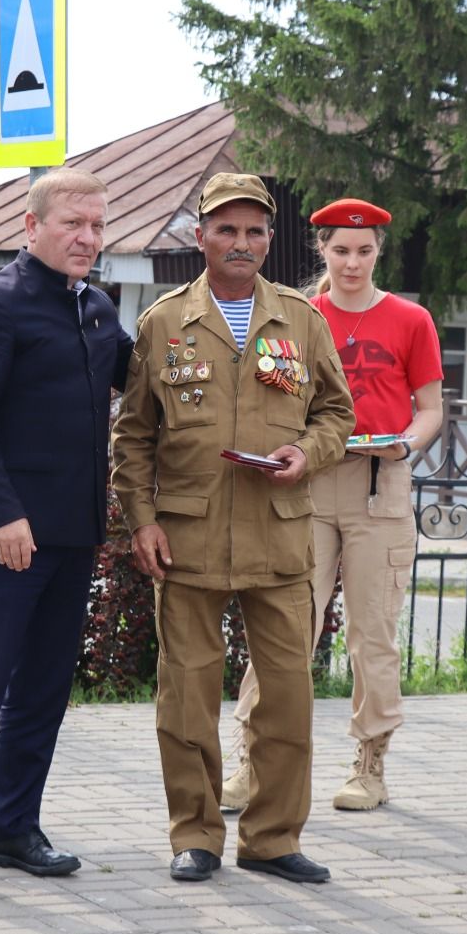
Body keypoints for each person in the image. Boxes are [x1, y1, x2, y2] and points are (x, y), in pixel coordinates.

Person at [111, 172, 354, 884]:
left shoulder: (303, 320)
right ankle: (196, 834)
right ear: (201, 238)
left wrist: (304, 454)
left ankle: (274, 839)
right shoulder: (164, 322)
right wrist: (142, 520)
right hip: (185, 538)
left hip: (279, 534)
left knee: (286, 696)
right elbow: (133, 437)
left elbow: (337, 415)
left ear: (270, 241)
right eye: (226, 229)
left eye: (254, 231)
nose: (240, 243)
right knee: (186, 695)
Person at [0, 168, 132, 899]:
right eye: (73, 223)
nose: (86, 238)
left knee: (44, 690)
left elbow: (145, 380)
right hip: (3, 533)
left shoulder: (99, 308)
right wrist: (4, 515)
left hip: (74, 532)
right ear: (31, 226)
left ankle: (15, 830)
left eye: (98, 226)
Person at [221, 198, 443, 814]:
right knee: (283, 626)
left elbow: (430, 409)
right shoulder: (295, 315)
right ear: (322, 251)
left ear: (379, 253)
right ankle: (251, 761)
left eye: (364, 251)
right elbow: (266, 397)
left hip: (381, 482)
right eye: (340, 250)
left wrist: (408, 443)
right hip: (306, 483)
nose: (352, 262)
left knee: (373, 633)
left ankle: (370, 766)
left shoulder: (410, 319)